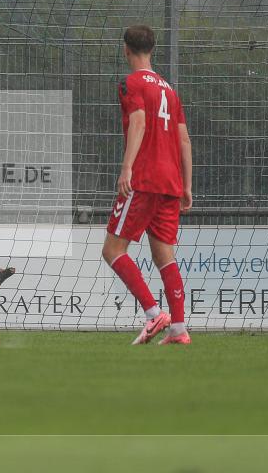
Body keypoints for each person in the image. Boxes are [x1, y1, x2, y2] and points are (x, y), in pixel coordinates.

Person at [101, 24, 193, 346]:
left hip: (144, 179)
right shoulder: (170, 89)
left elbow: (138, 121)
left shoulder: (131, 83)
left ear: (126, 49)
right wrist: (187, 185)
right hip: (171, 183)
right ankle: (179, 329)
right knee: (164, 255)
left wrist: (126, 168)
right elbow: (183, 139)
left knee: (112, 250)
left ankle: (154, 314)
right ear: (152, 50)